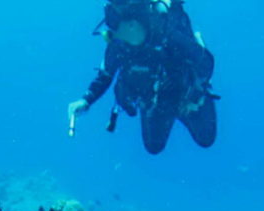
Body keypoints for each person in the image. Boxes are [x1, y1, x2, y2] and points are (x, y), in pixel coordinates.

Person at [68, 0, 217, 154]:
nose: (110, 35)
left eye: (114, 27)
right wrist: (86, 100)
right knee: (153, 147)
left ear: (132, 24)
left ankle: (193, 101)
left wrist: (196, 90)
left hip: (187, 96)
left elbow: (206, 63)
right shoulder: (119, 41)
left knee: (206, 138)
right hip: (154, 101)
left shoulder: (166, 29)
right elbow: (106, 74)